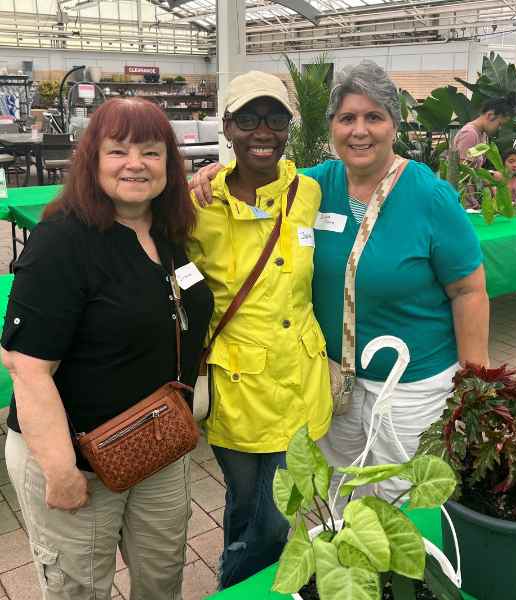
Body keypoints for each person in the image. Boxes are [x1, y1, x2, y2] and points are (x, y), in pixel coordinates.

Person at [190, 61, 489, 506]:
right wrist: (213, 175)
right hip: (334, 381)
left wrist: (474, 381)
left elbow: (469, 291)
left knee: (398, 496)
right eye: (347, 118)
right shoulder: (313, 186)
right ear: (331, 126)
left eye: (374, 117)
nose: (360, 131)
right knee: (340, 493)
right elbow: (257, 185)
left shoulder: (428, 195)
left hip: (410, 385)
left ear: (394, 124)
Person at [1, 97, 213, 600]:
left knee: (162, 578)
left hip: (158, 445)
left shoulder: (167, 231)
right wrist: (59, 469)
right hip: (79, 458)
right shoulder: (64, 240)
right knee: (80, 589)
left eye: (151, 151)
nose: (136, 163)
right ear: (92, 158)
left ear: (170, 164)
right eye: (118, 150)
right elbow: (26, 368)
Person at [186, 71, 332, 589]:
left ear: (289, 126)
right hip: (238, 384)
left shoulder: (311, 191)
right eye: (247, 118)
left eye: (274, 118)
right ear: (227, 127)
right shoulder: (198, 205)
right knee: (246, 502)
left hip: (299, 379)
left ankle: (238, 580)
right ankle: (243, 579)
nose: (261, 131)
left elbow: (372, 171)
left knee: (278, 511)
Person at [452, 95, 516, 208]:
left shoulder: (482, 134)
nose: (500, 128)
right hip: (461, 201)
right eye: (500, 124)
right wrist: (491, 176)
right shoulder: (470, 134)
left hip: (471, 199)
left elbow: (474, 169)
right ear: (490, 115)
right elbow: (462, 172)